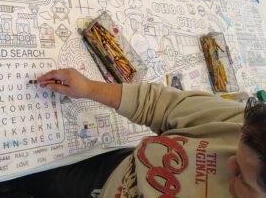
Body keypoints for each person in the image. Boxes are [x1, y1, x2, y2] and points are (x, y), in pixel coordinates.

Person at [18, 68, 266, 198]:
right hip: (116, 170)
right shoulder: (239, 123)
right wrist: (89, 88)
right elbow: (160, 105)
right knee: (30, 176)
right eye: (237, 147)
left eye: (242, 175)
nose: (229, 162)